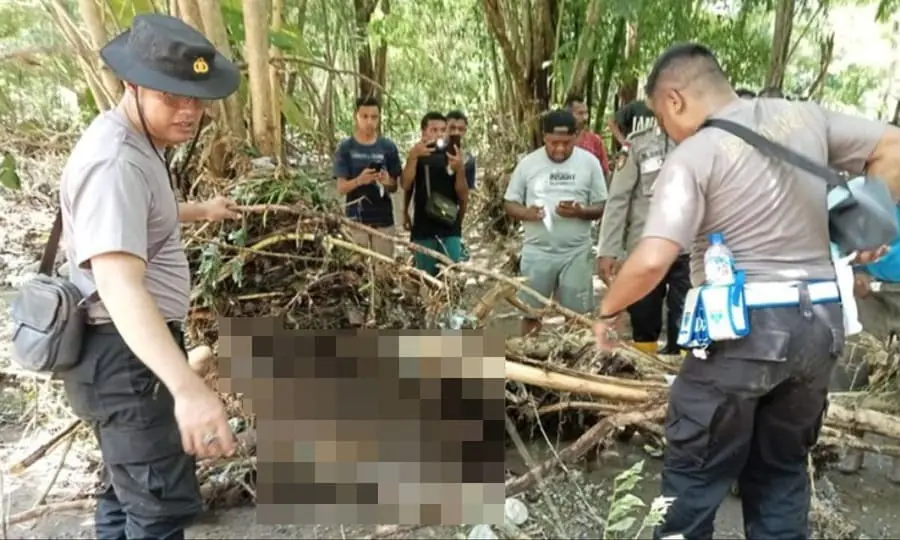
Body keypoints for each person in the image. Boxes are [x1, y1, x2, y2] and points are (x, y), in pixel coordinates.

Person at [592, 42, 900, 540]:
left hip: (741, 335)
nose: (666, 131)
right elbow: (894, 146)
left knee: (691, 478)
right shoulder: (807, 118)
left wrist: (607, 312)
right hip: (819, 329)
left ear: (673, 100)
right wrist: (867, 228)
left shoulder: (694, 154)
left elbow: (652, 258)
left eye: (659, 116)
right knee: (780, 472)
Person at [58, 14, 243, 540]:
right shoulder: (116, 160)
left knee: (127, 498)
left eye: (197, 98)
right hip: (126, 358)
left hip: (123, 356)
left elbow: (139, 216)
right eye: (172, 97)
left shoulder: (136, 144)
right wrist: (186, 387)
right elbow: (118, 285)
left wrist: (201, 209)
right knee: (157, 513)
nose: (189, 112)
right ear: (133, 85)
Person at [504, 109, 607, 336]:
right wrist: (527, 213)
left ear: (576, 137)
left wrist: (581, 210)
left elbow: (602, 206)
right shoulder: (528, 164)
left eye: (566, 143)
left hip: (576, 253)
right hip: (537, 252)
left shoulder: (589, 163)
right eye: (554, 143)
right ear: (543, 138)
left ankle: (574, 365)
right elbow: (509, 203)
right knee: (532, 314)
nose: (559, 148)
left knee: (578, 319)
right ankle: (529, 360)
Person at [596, 124, 688, 356]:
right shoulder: (637, 143)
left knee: (689, 320)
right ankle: (645, 379)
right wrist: (608, 249)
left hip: (689, 249)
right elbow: (618, 199)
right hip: (645, 251)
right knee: (644, 320)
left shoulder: (702, 137)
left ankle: (685, 379)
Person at [830, 230, 900, 483]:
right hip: (869, 288)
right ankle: (851, 442)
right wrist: (854, 270)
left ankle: (897, 450)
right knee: (854, 362)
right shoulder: (872, 191)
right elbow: (844, 228)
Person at [334, 96, 403, 257]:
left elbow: (394, 187)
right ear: (356, 117)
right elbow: (341, 188)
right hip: (355, 221)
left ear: (379, 118)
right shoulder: (346, 148)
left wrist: (387, 182)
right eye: (364, 116)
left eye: (374, 117)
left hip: (383, 221)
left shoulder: (388, 147)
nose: (369, 122)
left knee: (384, 271)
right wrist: (360, 180)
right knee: (358, 272)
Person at [402, 112, 469, 276]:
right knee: (425, 278)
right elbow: (406, 184)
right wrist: (412, 157)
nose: (439, 134)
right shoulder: (417, 154)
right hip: (423, 227)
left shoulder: (455, 155)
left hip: (449, 227)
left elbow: (463, 193)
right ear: (423, 132)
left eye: (442, 130)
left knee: (451, 278)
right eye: (433, 130)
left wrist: (459, 169)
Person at [567, 96, 610, 176]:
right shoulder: (561, 141)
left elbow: (605, 172)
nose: (585, 118)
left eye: (586, 113)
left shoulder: (595, 140)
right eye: (580, 113)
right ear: (569, 114)